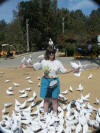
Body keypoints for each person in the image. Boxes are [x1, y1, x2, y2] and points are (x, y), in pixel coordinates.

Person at [33, 45, 80, 116]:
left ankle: (55, 113)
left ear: (54, 53)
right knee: (46, 99)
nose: (51, 54)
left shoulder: (58, 62)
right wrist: (25, 65)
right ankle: (45, 114)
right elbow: (35, 66)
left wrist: (73, 69)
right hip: (45, 81)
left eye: (52, 52)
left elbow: (64, 71)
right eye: (49, 52)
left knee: (54, 99)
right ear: (47, 53)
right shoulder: (43, 61)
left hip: (54, 81)